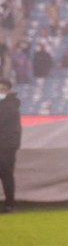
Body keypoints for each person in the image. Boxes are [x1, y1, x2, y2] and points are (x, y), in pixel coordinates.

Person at [0, 77, 20, 213]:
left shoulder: (8, 106)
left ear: (8, 90)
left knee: (6, 174)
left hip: (5, 146)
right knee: (7, 175)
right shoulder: (11, 104)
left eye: (2, 89)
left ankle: (9, 205)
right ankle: (9, 205)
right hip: (8, 145)